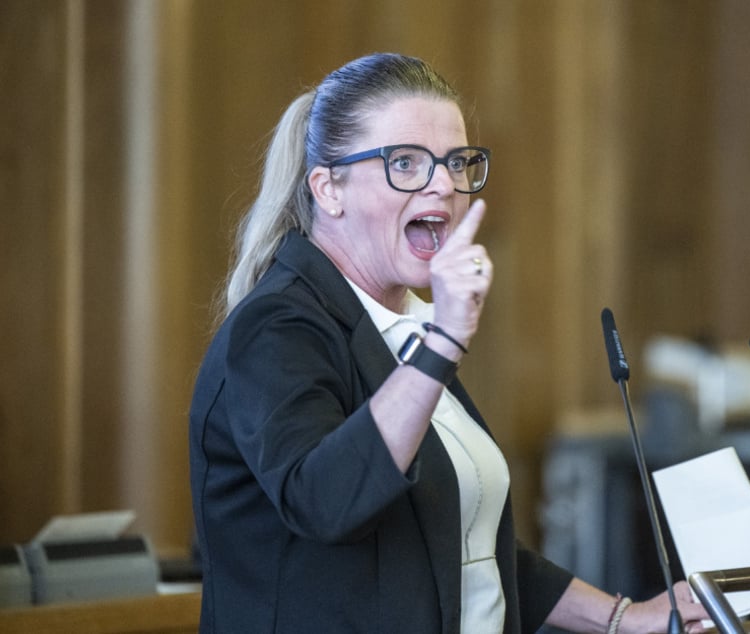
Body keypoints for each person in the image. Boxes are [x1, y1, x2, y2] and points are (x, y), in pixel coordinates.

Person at [188, 52, 708, 633]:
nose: (442, 184)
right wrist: (442, 343)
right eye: (405, 163)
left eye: (455, 162)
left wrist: (625, 618)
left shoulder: (403, 329)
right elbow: (325, 502)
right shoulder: (277, 326)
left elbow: (465, 547)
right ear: (329, 188)